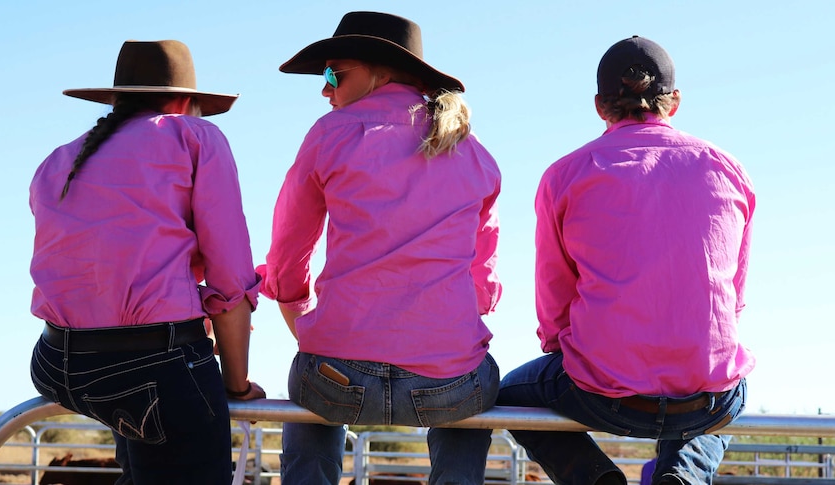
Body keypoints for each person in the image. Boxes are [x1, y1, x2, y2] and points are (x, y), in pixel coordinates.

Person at [496, 36, 756, 485]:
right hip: (705, 396)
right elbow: (733, 298)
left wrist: (574, 351)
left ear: (600, 105)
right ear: (673, 101)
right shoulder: (727, 168)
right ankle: (682, 474)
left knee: (508, 398)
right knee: (731, 379)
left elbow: (554, 305)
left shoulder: (566, 173)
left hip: (602, 394)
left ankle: (595, 479)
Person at [257, 11, 502, 485]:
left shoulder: (328, 136)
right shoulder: (473, 152)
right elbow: (483, 285)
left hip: (336, 377)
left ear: (380, 71)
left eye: (333, 74)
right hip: (446, 384)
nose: (325, 89)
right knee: (478, 391)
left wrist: (305, 322)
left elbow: (288, 258)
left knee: (306, 394)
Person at [28, 40, 266, 485]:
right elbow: (230, 279)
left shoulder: (58, 160)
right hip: (150, 366)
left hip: (53, 362)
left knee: (141, 445)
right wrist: (235, 385)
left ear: (117, 99)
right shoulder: (194, 136)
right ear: (184, 102)